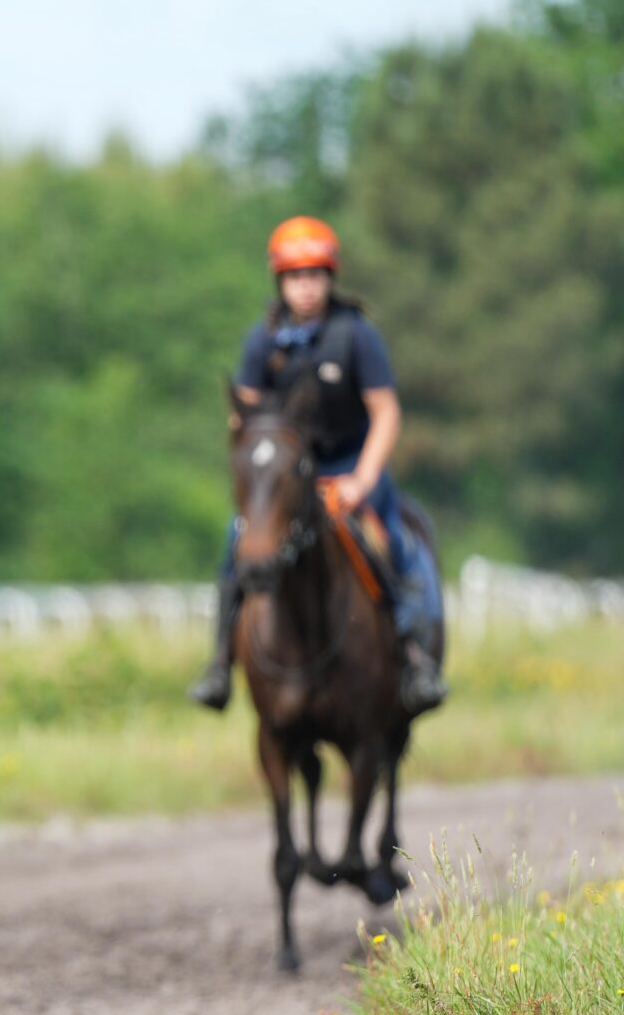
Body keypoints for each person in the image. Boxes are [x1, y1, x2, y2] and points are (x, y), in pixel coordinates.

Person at [189, 216, 447, 715]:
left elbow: (385, 412)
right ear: (280, 281)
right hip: (287, 478)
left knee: (395, 542)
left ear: (330, 277)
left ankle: (416, 658)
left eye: (314, 275)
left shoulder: (356, 336)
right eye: (295, 277)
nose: (305, 287)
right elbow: (243, 417)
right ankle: (220, 662)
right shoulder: (262, 341)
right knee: (235, 542)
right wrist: (259, 471)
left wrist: (363, 479)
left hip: (351, 465)